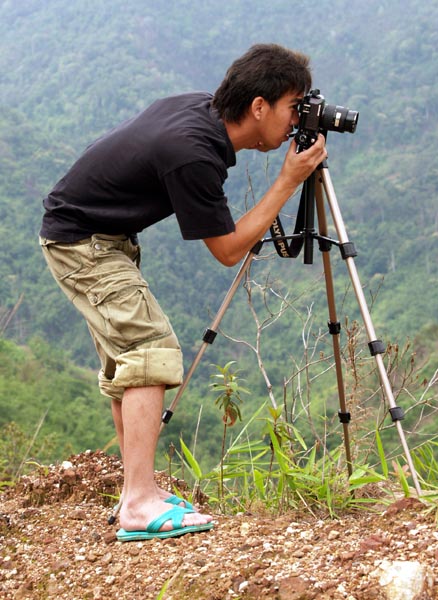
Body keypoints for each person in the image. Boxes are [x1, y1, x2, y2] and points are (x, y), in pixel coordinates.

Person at [39, 43, 327, 542]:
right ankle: (138, 504)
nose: (296, 120)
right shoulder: (192, 152)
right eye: (292, 107)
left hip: (95, 237)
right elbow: (229, 249)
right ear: (259, 106)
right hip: (84, 244)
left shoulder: (202, 112)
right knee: (149, 352)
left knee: (129, 365)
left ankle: (138, 490)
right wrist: (287, 180)